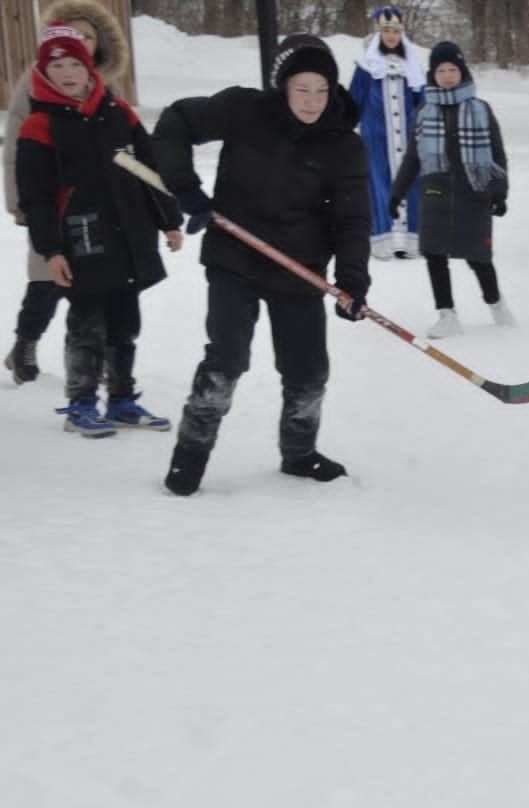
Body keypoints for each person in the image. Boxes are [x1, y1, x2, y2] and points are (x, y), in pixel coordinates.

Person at [154, 34, 371, 495]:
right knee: (226, 359)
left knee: (308, 368)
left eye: (322, 89)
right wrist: (186, 188)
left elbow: (352, 220)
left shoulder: (343, 145)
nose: (312, 101)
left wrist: (352, 280)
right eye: (302, 88)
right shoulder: (243, 110)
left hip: (298, 267)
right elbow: (175, 122)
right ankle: (189, 456)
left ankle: (299, 453)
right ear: (282, 87)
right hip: (235, 258)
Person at [15, 22, 181, 436]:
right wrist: (50, 251)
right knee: (87, 324)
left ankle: (122, 399)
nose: (68, 73)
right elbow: (36, 197)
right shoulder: (39, 126)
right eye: (58, 67)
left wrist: (168, 220)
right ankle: (81, 403)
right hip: (80, 238)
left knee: (125, 322)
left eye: (75, 63)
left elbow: (146, 168)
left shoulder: (117, 112)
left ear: (89, 67)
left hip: (129, 233)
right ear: (44, 73)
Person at [3, 0, 128, 386]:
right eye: (73, 37)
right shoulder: (36, 82)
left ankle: (102, 356)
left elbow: (125, 147)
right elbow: (15, 148)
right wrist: (20, 203)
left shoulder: (107, 84)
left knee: (104, 282)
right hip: (52, 200)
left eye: (88, 37)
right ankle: (25, 342)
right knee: (47, 278)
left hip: (102, 204)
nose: (81, 45)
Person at [389, 42, 511, 338]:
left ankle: (496, 304)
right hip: (436, 192)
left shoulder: (481, 109)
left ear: (462, 71)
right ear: (433, 75)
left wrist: (499, 191)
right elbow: (413, 157)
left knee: (478, 257)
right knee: (434, 254)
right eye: (441, 70)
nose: (446, 75)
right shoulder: (424, 110)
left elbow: (497, 153)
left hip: (474, 191)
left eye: (452, 69)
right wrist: (397, 192)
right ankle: (446, 314)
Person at [348, 5, 425, 260]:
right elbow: (353, 103)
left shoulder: (411, 66)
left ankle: (410, 240)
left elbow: (422, 102)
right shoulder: (366, 67)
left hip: (408, 138)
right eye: (386, 31)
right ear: (379, 33)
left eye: (395, 31)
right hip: (377, 140)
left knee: (411, 183)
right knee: (380, 185)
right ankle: (385, 240)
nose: (391, 36)